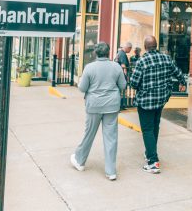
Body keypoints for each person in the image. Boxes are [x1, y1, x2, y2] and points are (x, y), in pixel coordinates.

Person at [71, 42, 127, 181]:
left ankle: (79, 161)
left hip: (94, 106)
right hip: (112, 106)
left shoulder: (89, 67)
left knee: (89, 134)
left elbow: (82, 88)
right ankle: (111, 171)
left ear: (96, 53)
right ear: (108, 53)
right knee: (111, 138)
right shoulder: (116, 67)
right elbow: (123, 85)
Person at [130, 35, 184, 174]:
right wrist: (183, 82)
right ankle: (150, 151)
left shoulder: (142, 61)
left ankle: (153, 162)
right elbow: (178, 73)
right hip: (161, 99)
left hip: (146, 101)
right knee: (155, 127)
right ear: (156, 45)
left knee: (147, 129)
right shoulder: (166, 58)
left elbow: (134, 83)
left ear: (145, 47)